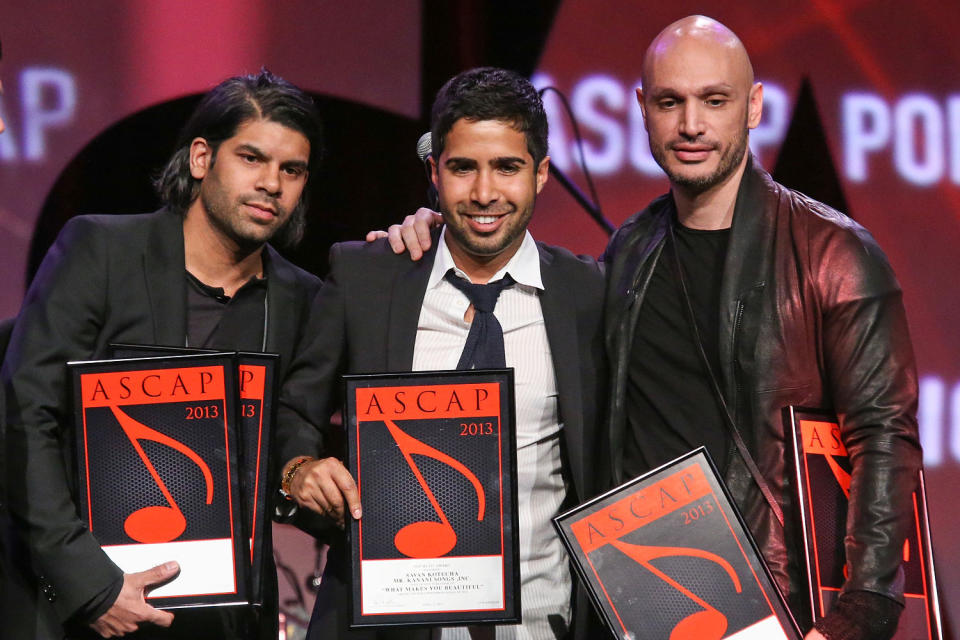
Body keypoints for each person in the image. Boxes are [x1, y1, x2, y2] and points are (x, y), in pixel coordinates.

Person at [387, 16, 921, 640]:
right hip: (640, 600)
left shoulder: (833, 254)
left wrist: (860, 615)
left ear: (752, 108)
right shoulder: (629, 252)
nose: (690, 124)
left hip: (778, 607)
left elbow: (885, 436)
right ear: (642, 110)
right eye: (670, 102)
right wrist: (430, 235)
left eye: (713, 101)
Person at [276, 67, 605, 640]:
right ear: (434, 172)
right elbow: (292, 412)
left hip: (541, 623)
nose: (483, 193)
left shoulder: (588, 294)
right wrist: (298, 469)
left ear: (542, 173)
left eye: (507, 167)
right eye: (462, 167)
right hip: (388, 620)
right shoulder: (368, 278)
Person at [1, 69, 324, 639]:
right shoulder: (101, 251)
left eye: (291, 169)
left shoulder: (303, 299)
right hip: (81, 604)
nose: (272, 183)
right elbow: (24, 417)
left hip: (223, 616)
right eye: (252, 158)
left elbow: (290, 434)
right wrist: (90, 585)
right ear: (202, 157)